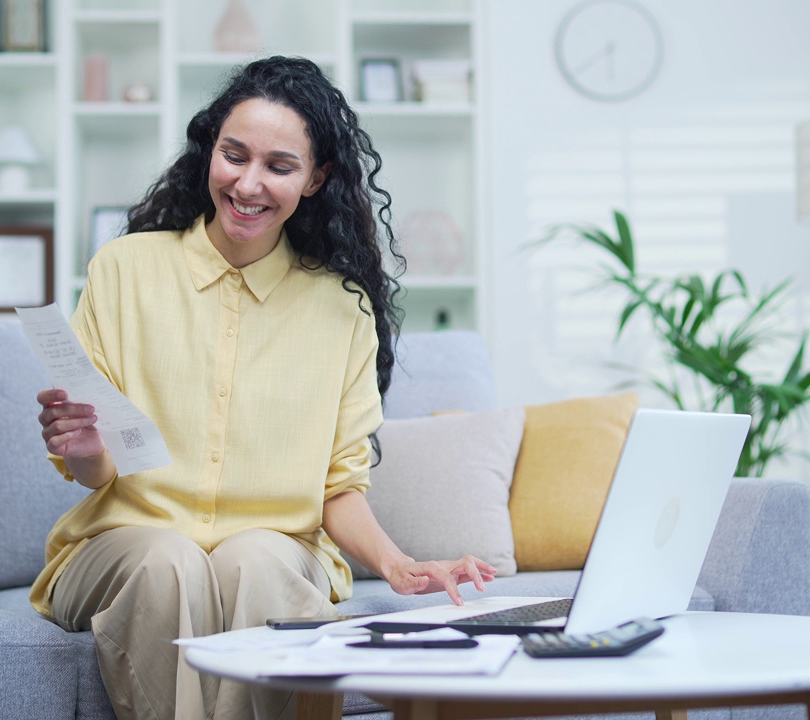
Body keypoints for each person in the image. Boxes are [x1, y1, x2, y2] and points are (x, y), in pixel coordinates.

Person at [30, 56, 496, 720]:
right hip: (126, 542)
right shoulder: (123, 269)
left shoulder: (340, 310)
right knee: (171, 562)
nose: (248, 184)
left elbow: (339, 487)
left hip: (276, 551)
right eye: (234, 155)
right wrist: (81, 443)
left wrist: (397, 564)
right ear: (209, 152)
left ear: (315, 179)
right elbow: (96, 469)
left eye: (279, 166)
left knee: (258, 560)